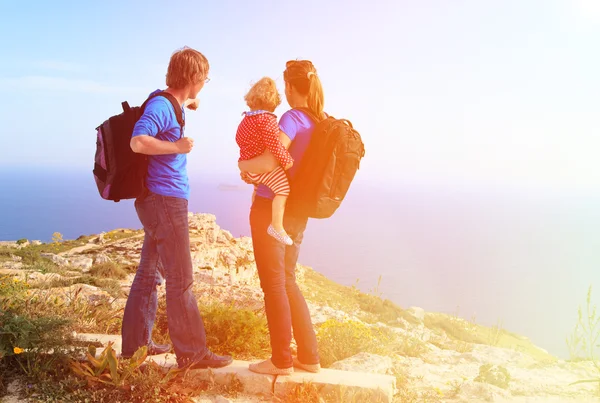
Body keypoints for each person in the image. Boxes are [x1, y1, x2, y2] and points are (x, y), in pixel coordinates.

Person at [121, 46, 232, 369]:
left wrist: (191, 99)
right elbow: (138, 141)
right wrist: (177, 147)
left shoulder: (170, 100)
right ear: (195, 77)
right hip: (165, 202)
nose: (205, 84)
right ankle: (192, 353)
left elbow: (187, 99)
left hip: (157, 201)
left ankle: (135, 346)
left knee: (148, 274)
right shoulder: (162, 106)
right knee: (180, 278)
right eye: (205, 79)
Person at [239, 60, 324, 375]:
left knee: (273, 284)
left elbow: (273, 157)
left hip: (270, 208)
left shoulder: (292, 118)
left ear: (289, 87)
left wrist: (244, 166)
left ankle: (281, 361)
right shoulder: (319, 120)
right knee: (287, 280)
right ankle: (309, 356)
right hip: (298, 212)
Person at [236, 77, 294, 246]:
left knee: (258, 187)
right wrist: (287, 160)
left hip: (250, 166)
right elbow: (274, 145)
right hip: (260, 168)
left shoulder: (246, 119)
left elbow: (239, 140)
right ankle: (277, 226)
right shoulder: (267, 119)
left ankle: (256, 210)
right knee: (283, 189)